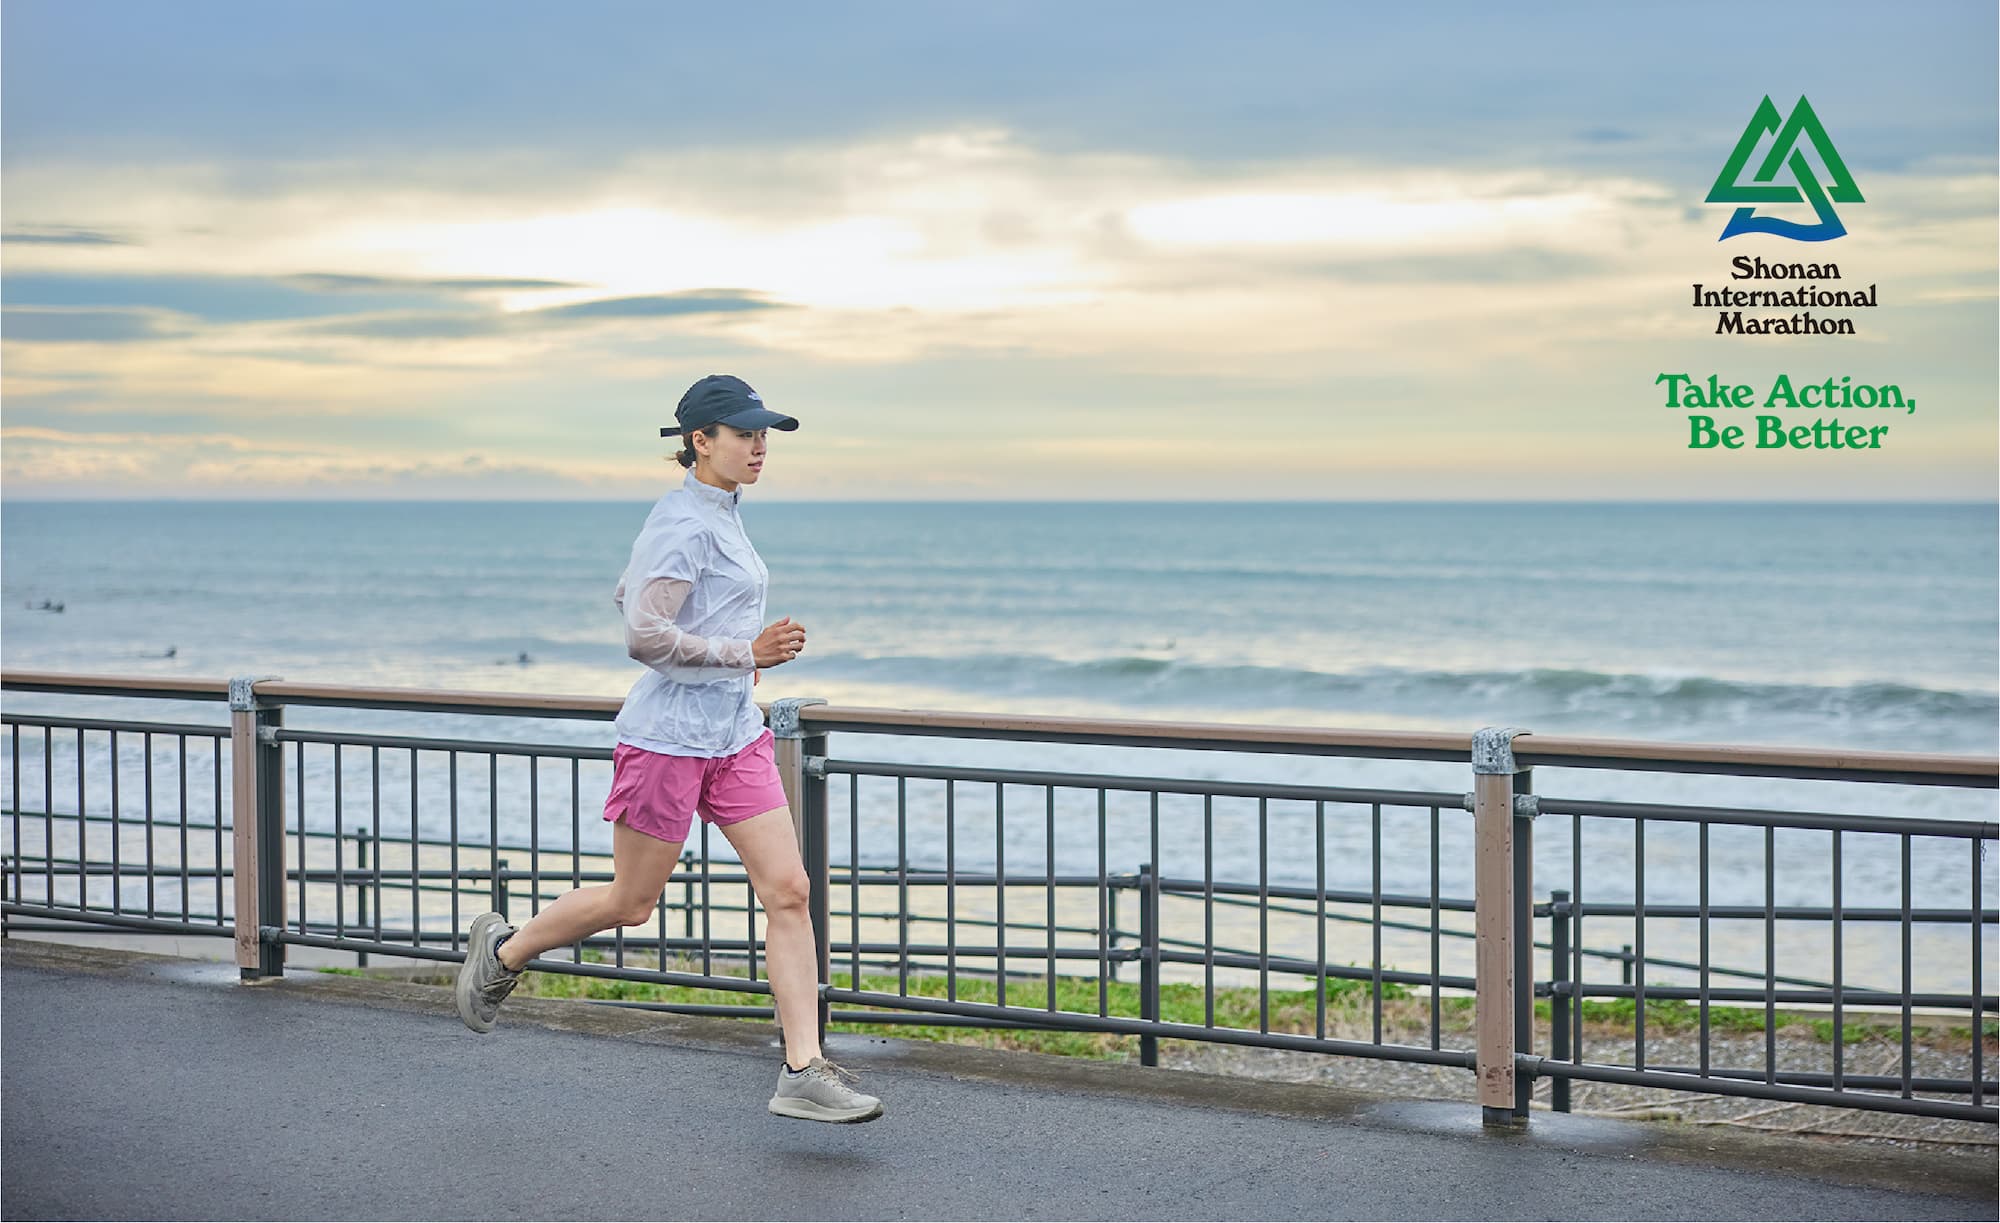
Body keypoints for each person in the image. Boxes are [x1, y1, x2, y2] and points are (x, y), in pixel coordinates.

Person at [454, 373, 883, 1123]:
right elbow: (641, 635)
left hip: (734, 735)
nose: (757, 446)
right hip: (668, 740)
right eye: (744, 433)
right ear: (700, 441)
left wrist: (739, 661)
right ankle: (504, 953)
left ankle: (803, 1069)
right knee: (633, 901)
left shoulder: (719, 513)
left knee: (790, 890)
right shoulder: (683, 520)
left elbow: (632, 593)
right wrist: (743, 649)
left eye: (763, 434)